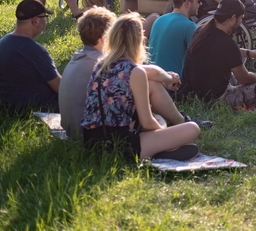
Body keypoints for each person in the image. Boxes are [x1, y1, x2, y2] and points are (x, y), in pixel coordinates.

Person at [61, 7, 209, 142]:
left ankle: (177, 124)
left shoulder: (85, 59)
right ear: (105, 37)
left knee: (154, 112)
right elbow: (147, 73)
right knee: (152, 87)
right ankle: (180, 122)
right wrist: (168, 78)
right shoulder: (102, 62)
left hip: (85, 130)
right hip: (92, 133)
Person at [81, 13, 201, 161]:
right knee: (192, 128)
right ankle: (161, 149)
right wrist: (163, 133)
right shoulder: (135, 72)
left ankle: (160, 147)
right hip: (119, 146)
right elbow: (147, 122)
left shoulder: (101, 65)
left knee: (158, 119)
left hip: (91, 142)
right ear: (139, 41)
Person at [177, 0, 256, 107]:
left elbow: (222, 52)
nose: (240, 22)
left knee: (232, 75)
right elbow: (244, 78)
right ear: (233, 18)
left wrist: (249, 53)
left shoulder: (202, 31)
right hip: (214, 99)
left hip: (191, 94)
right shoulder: (227, 43)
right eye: (241, 19)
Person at [0, 0, 60, 115]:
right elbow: (60, 88)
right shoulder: (35, 51)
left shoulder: (2, 42)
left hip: (4, 106)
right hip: (33, 109)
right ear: (35, 21)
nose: (46, 21)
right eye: (45, 17)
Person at [58, 7, 116, 140]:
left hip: (71, 130)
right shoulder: (100, 64)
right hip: (87, 136)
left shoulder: (78, 57)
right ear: (104, 38)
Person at [148, 0, 202, 76]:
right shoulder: (189, 26)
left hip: (151, 78)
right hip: (172, 82)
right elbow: (200, 59)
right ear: (187, 3)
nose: (200, 4)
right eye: (198, 1)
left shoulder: (159, 20)